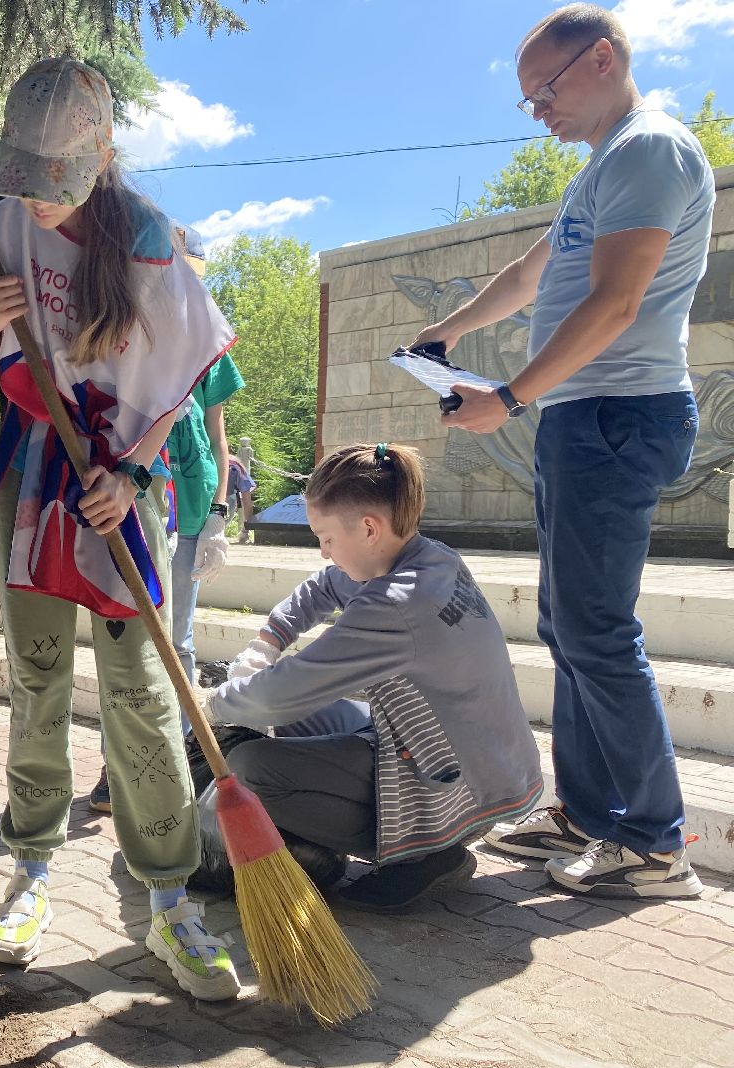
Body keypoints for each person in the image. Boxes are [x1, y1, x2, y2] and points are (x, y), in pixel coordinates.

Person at [412, 4, 712, 900]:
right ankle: (589, 813)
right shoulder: (602, 170)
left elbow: (617, 305)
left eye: (544, 89)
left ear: (604, 59)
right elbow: (529, 276)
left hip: (622, 415)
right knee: (568, 626)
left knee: (597, 632)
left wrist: (506, 397)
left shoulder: (651, 150)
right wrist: (446, 331)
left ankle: (656, 844)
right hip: (586, 419)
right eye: (527, 98)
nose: (537, 109)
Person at [0, 57, 241, 1002]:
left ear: (102, 155)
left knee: (141, 700)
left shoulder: (151, 244)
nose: (37, 205)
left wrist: (128, 473)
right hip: (35, 483)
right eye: (25, 180)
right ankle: (31, 873)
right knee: (36, 684)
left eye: (57, 183)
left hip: (121, 487)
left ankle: (169, 903)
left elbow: (182, 380)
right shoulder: (1, 218)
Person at [198, 443, 545, 912]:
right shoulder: (429, 557)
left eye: (326, 538)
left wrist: (210, 705)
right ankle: (406, 837)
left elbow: (277, 698)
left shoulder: (398, 604)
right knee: (298, 713)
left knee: (250, 770)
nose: (323, 552)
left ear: (368, 528)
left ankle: (426, 852)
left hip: (461, 787)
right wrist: (266, 644)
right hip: (472, 755)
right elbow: (321, 587)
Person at [87, 224, 242, 815]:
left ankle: (176, 759)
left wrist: (222, 514)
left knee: (179, 640)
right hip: (140, 497)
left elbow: (219, 435)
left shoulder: (211, 340)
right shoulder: (135, 326)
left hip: (195, 505)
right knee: (130, 633)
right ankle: (115, 766)